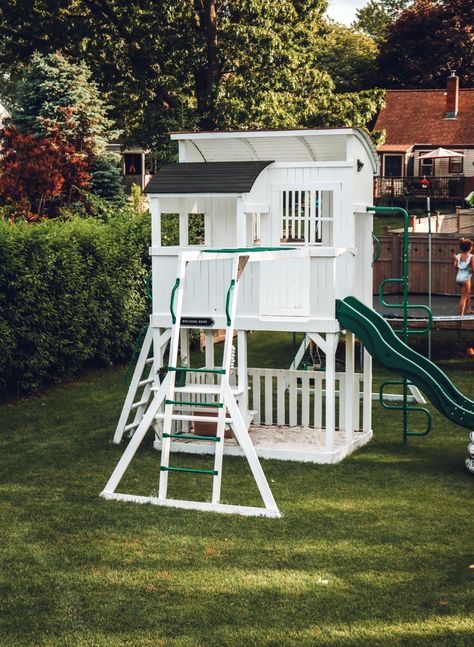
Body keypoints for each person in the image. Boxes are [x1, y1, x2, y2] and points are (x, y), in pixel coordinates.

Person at [452, 238, 474, 316]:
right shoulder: (471, 257)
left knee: (468, 293)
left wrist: (455, 260)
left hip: (459, 278)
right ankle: (460, 317)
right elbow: (473, 269)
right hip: (465, 279)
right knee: (463, 298)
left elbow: (455, 267)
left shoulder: (458, 256)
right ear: (470, 248)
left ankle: (468, 309)